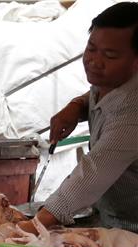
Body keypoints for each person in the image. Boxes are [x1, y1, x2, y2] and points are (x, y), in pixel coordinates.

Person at [21, 2, 138, 233]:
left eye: (110, 55)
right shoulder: (109, 82)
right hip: (111, 219)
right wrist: (76, 107)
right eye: (91, 48)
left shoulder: (133, 112)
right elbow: (95, 95)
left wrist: (34, 226)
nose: (94, 61)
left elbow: (92, 173)